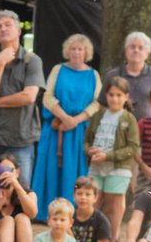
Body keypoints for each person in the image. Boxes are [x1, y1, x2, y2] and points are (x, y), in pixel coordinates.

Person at [0, 10, 46, 187]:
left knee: (21, 187)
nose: (3, 29)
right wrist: (0, 63)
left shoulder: (33, 61)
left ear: (19, 30)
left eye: (8, 25)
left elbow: (28, 96)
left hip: (20, 139)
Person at [32, 33, 101, 213]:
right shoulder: (58, 69)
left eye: (80, 49)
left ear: (86, 52)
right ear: (67, 51)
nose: (76, 52)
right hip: (56, 128)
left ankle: (71, 212)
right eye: (73, 48)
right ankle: (45, 211)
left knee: (74, 171)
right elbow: (47, 97)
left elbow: (96, 103)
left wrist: (75, 120)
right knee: (51, 169)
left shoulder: (93, 75)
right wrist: (64, 117)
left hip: (79, 131)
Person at [84, 76, 139, 242]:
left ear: (126, 96)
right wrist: (89, 151)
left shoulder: (129, 119)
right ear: (105, 96)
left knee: (113, 208)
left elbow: (132, 147)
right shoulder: (98, 115)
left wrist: (107, 156)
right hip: (96, 167)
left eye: (118, 95)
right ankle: (90, 241)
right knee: (92, 203)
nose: (114, 99)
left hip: (119, 169)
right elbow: (86, 141)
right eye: (111, 95)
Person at [100, 31, 151, 120]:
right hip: (118, 128)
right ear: (125, 50)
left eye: (140, 48)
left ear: (147, 53)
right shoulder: (112, 75)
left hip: (149, 130)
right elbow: (102, 105)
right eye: (132, 47)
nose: (136, 50)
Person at [70, 176, 113, 242]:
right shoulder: (68, 217)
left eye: (88, 194)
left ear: (95, 197)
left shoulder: (102, 221)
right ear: (73, 196)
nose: (83, 198)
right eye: (79, 193)